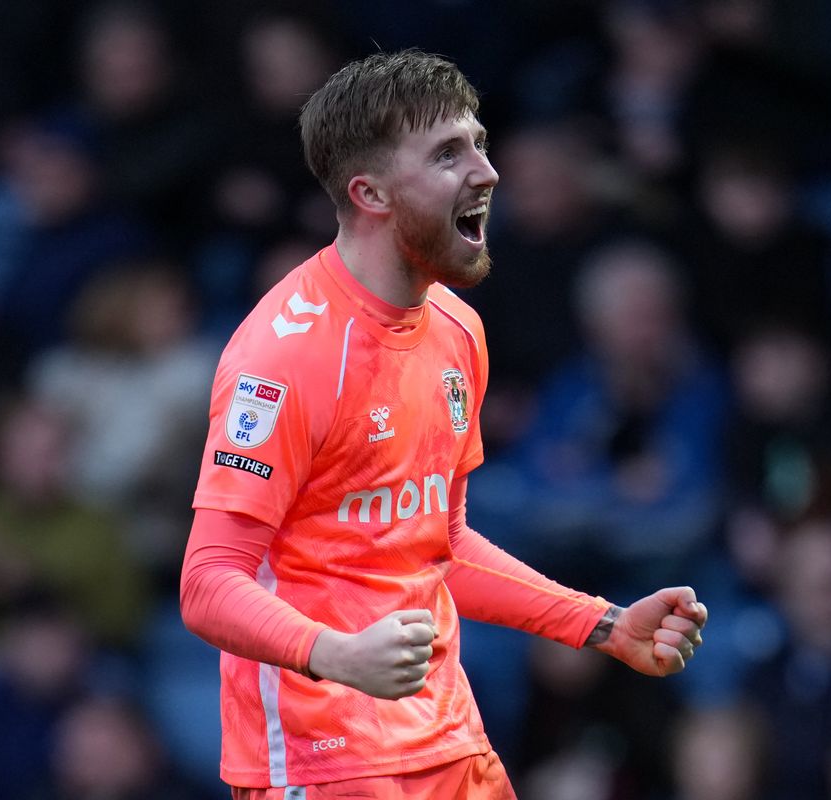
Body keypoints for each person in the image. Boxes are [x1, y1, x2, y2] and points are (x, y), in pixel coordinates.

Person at [179, 49, 708, 800]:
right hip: (324, 759)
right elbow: (206, 583)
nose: (487, 173)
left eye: (480, 144)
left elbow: (441, 544)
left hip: (446, 741)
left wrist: (601, 625)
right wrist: (333, 653)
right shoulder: (284, 356)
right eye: (449, 153)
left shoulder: (456, 329)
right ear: (371, 193)